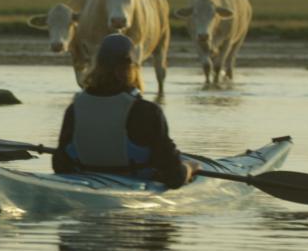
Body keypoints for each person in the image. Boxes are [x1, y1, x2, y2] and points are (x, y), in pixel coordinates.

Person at [52, 34, 198, 187]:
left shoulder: (74, 109)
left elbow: (60, 166)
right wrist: (190, 168)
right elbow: (175, 177)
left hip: (84, 182)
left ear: (97, 65)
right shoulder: (147, 111)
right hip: (133, 187)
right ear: (132, 67)